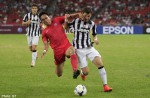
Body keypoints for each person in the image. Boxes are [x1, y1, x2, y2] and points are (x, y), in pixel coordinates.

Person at [67, 8, 112, 92]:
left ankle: (105, 86)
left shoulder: (92, 24)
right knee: (86, 72)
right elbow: (66, 24)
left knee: (100, 64)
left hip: (89, 48)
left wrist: (95, 39)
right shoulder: (76, 21)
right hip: (78, 50)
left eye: (89, 16)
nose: (87, 17)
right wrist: (72, 16)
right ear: (82, 14)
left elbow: (94, 34)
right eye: (86, 15)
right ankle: (82, 73)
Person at [39, 12, 80, 79]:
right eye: (43, 19)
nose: (46, 20)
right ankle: (57, 63)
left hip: (66, 45)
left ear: (49, 17)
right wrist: (44, 50)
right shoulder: (44, 32)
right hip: (58, 51)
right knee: (59, 74)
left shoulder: (56, 20)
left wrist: (77, 14)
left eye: (46, 18)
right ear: (42, 22)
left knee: (72, 50)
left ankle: (75, 70)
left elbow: (67, 16)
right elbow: (46, 44)